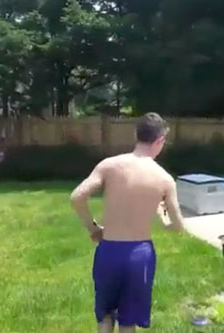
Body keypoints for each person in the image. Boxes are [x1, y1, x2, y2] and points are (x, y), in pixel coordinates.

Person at [70, 112, 185, 333]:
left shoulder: (110, 165)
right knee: (128, 321)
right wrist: (162, 218)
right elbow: (178, 226)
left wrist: (93, 228)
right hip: (139, 255)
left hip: (109, 250)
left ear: (136, 135)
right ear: (160, 141)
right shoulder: (164, 179)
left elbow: (77, 197)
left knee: (104, 315)